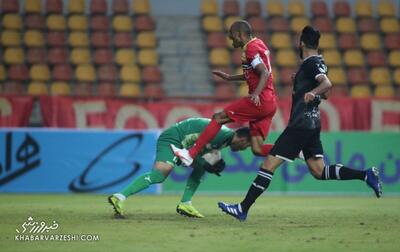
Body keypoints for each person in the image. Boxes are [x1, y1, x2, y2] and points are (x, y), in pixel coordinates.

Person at [217, 26, 383, 221]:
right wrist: (306, 85)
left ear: (301, 43)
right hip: (313, 124)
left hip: (300, 125)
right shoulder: (320, 62)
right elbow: (327, 94)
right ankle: (366, 175)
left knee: (268, 164)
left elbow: (326, 85)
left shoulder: (311, 63)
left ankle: (242, 208)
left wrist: (312, 92)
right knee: (318, 170)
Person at [171, 20, 277, 166]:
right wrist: (230, 78)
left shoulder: (250, 49)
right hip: (270, 102)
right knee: (257, 149)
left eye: (231, 36)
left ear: (238, 35)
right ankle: (295, 150)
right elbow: (257, 72)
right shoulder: (259, 43)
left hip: (260, 100)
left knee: (219, 118)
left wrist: (256, 93)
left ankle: (190, 154)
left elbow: (264, 72)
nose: (231, 40)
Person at [108, 118, 251, 218]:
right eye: (247, 145)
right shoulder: (220, 136)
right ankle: (119, 197)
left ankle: (185, 203)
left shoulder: (225, 139)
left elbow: (198, 150)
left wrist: (207, 164)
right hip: (173, 139)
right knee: (160, 174)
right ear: (243, 139)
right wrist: (205, 163)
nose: (245, 149)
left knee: (200, 170)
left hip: (183, 142)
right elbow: (191, 153)